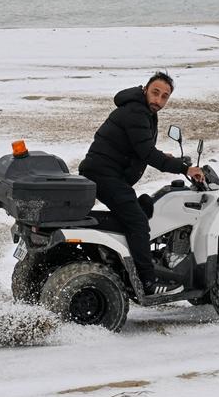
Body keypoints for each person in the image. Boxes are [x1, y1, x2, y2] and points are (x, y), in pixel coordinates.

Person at [79, 71, 205, 295]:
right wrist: (185, 168)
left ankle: (116, 259)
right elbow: (147, 153)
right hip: (104, 174)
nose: (159, 100)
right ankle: (147, 281)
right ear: (145, 89)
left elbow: (139, 146)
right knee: (138, 222)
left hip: (107, 173)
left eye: (165, 96)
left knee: (142, 208)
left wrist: (163, 156)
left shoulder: (141, 109)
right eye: (155, 93)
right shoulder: (136, 111)